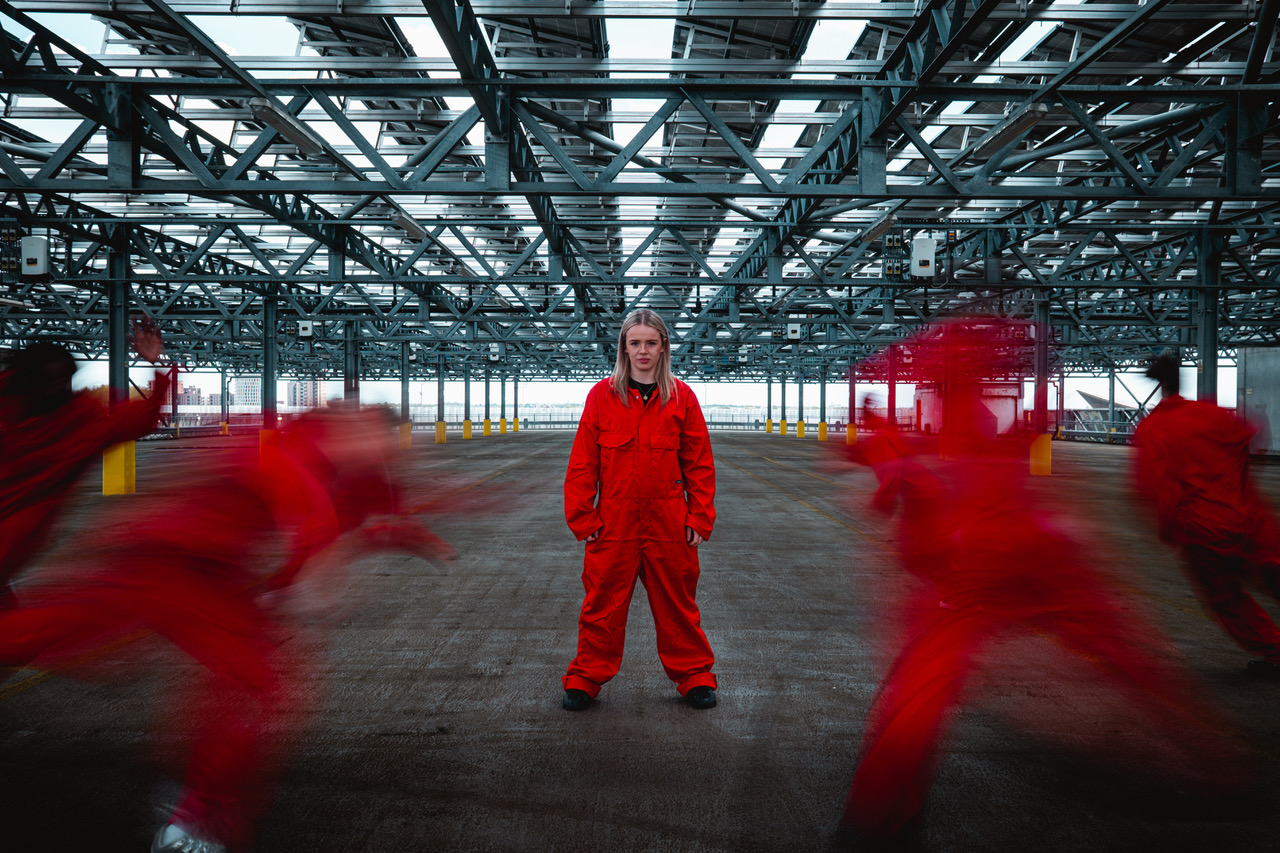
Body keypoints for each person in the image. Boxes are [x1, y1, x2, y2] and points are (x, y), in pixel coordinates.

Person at [561, 309, 718, 711]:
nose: (643, 350)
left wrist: (699, 517)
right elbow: (582, 464)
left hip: (669, 522)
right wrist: (583, 518)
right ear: (624, 348)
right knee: (602, 604)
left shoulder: (682, 398)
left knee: (678, 604)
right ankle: (585, 677)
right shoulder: (602, 397)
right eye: (635, 343)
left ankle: (695, 676)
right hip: (613, 522)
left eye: (650, 342)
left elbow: (699, 463)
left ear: (663, 346)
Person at [0, 322, 170, 610]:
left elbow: (133, 421)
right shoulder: (16, 411)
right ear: (27, 381)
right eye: (49, 381)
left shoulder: (78, 423)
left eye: (64, 380)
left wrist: (156, 365)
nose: (58, 388)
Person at [1132, 350, 1280, 677]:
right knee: (1274, 574)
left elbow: (1154, 487)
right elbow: (1253, 439)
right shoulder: (1213, 415)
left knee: (1227, 597)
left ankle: (1275, 650)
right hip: (1249, 518)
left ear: (1158, 383)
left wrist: (1170, 529)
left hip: (1205, 530)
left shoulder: (1153, 428)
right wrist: (1240, 487)